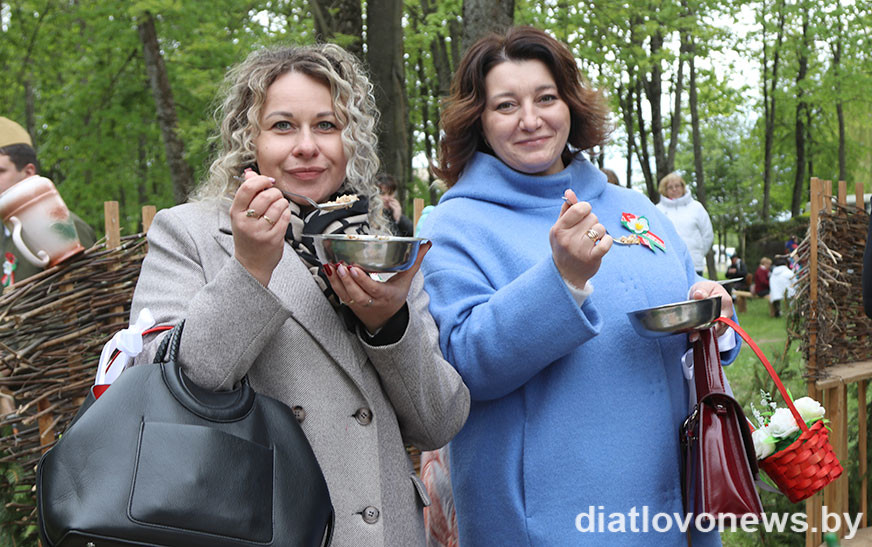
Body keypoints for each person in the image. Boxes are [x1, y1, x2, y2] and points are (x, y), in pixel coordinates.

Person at [129, 43, 469, 547]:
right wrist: (250, 269)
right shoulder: (188, 232)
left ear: (351, 140)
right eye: (283, 125)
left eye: (326, 125)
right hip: (257, 529)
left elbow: (440, 421)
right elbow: (164, 383)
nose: (307, 146)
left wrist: (389, 325)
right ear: (250, 139)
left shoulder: (380, 246)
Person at [419, 26, 740, 546]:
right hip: (552, 523)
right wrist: (562, 279)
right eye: (505, 105)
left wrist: (715, 311)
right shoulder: (454, 225)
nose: (530, 120)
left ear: (570, 104)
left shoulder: (633, 206)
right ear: (478, 119)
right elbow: (462, 367)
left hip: (676, 505)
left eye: (546, 98)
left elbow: (687, 291)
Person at [0, 116, 96, 287]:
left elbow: (86, 295)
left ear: (28, 172)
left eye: (1, 171)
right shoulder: (5, 232)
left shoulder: (62, 226)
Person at [655, 172, 714, 277]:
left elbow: (707, 234)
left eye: (677, 186)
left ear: (683, 187)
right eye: (670, 187)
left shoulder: (697, 207)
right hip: (668, 266)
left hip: (694, 265)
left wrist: (699, 254)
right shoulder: (658, 210)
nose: (674, 189)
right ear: (664, 190)